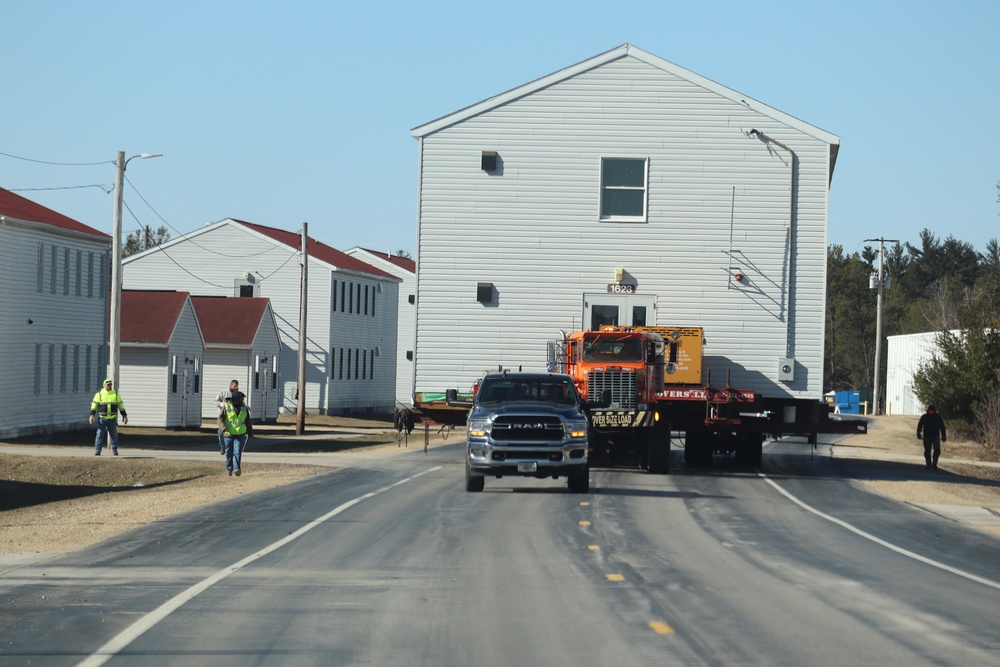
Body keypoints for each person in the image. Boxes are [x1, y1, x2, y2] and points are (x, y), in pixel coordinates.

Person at [218, 391, 253, 476]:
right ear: (237, 398)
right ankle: (229, 469)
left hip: (240, 434)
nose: (242, 400)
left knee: (237, 451)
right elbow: (220, 419)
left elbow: (248, 421)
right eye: (241, 398)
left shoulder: (244, 408)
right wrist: (223, 428)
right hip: (228, 434)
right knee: (229, 453)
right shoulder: (226, 406)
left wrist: (250, 432)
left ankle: (237, 469)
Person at [89, 378, 127, 456]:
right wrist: (92, 415)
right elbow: (94, 405)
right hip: (102, 418)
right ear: (104, 385)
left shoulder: (115, 394)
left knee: (113, 434)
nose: (109, 386)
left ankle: (114, 450)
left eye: (110, 385)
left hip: (112, 418)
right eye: (107, 385)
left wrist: (124, 415)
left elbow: (120, 405)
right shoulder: (99, 394)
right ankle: (98, 450)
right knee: (100, 434)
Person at [916, 404, 947, 470]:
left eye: (932, 411)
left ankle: (934, 464)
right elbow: (920, 425)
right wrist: (918, 432)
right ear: (928, 411)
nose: (931, 412)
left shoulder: (938, 417)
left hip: (935, 437)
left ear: (934, 411)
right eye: (930, 411)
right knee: (927, 451)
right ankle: (928, 464)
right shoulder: (925, 417)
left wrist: (944, 435)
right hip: (927, 437)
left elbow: (942, 427)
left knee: (937, 450)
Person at [214, 379, 240, 455]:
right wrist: (222, 405)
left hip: (232, 418)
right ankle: (222, 446)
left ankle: (229, 447)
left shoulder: (237, 395)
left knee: (231, 433)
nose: (235, 388)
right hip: (223, 417)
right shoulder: (223, 392)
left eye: (237, 387)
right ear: (231, 385)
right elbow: (215, 401)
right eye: (234, 386)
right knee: (220, 432)